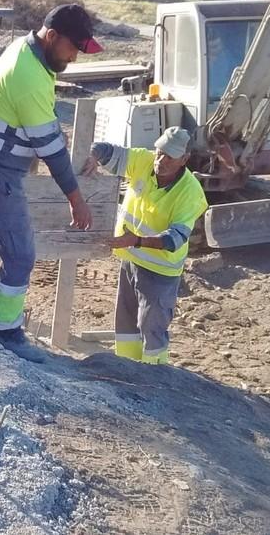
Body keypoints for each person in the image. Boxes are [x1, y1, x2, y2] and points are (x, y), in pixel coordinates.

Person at [0, 4, 103, 363]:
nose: (74, 57)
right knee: (21, 255)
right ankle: (7, 332)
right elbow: (52, 150)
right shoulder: (28, 76)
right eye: (73, 48)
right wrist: (76, 199)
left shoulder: (26, 50)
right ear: (53, 36)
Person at [85, 127, 208, 365]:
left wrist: (137, 241)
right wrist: (93, 156)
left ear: (184, 159)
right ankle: (127, 371)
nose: (160, 160)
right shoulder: (143, 160)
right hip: (131, 260)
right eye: (159, 152)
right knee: (126, 323)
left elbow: (175, 239)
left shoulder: (190, 193)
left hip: (160, 271)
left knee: (151, 328)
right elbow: (105, 150)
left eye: (169, 156)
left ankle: (154, 378)